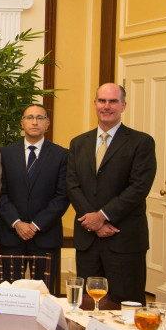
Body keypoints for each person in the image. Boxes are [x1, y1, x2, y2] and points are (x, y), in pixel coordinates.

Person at [67, 83, 156, 304]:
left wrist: (103, 216)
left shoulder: (141, 142)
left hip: (124, 239)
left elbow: (139, 187)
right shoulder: (79, 143)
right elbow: (72, 184)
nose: (107, 106)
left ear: (123, 106)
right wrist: (93, 220)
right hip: (88, 239)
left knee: (126, 305)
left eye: (113, 101)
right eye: (102, 101)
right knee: (88, 305)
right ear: (95, 104)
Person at [0, 104, 69, 290]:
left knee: (44, 294)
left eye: (40, 118)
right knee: (9, 293)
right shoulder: (5, 154)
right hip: (11, 235)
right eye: (29, 117)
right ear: (22, 123)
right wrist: (17, 223)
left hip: (45, 236)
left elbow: (62, 196)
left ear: (47, 124)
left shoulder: (62, 155)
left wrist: (35, 225)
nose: (34, 122)